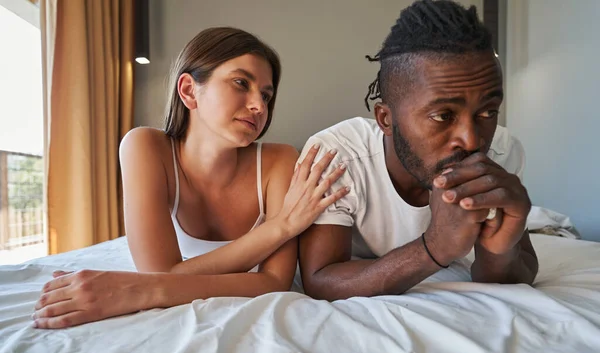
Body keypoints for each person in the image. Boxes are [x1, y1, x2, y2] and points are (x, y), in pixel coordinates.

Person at [33, 27, 348, 329]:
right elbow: (160, 273)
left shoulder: (279, 159)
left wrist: (148, 287)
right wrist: (281, 227)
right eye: (241, 83)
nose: (258, 106)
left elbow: (274, 283)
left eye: (266, 96)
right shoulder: (145, 147)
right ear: (188, 90)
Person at [298, 0, 539, 301]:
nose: (472, 141)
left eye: (488, 112)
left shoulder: (503, 151)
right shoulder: (339, 156)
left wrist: (498, 251)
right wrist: (434, 247)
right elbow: (321, 280)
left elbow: (518, 271)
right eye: (443, 116)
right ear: (386, 119)